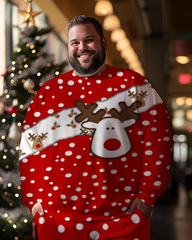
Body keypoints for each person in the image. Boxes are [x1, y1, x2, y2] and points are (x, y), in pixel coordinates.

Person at [19, 15, 172, 240]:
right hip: (57, 220)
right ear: (69, 47)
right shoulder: (47, 94)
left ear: (103, 43)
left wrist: (148, 197)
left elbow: (158, 141)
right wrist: (33, 200)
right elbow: (29, 148)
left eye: (88, 40)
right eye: (75, 42)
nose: (82, 48)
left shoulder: (136, 86)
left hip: (124, 219)